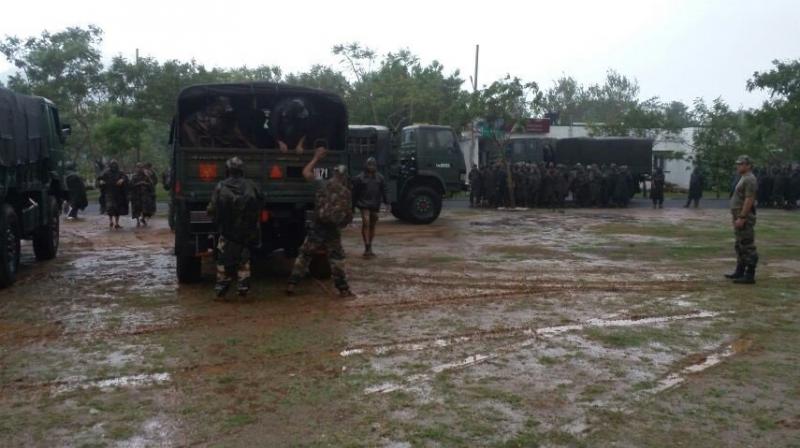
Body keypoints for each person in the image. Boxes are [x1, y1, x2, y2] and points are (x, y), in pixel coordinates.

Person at [287, 147, 353, 297]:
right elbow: (348, 216)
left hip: (318, 225)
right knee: (337, 258)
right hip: (333, 229)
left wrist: (316, 158)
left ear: (335, 173)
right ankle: (343, 289)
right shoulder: (346, 192)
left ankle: (292, 283)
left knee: (305, 255)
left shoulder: (322, 184)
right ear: (344, 176)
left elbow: (305, 173)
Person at [207, 157, 263, 299]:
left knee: (222, 259)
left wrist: (216, 220)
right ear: (242, 170)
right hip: (247, 230)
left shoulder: (221, 186)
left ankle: (221, 288)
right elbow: (261, 202)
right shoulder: (252, 185)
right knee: (244, 258)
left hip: (227, 230)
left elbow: (212, 209)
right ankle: (243, 287)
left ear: (228, 170)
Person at [725, 155, 759, 284]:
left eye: (741, 164)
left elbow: (749, 199)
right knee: (739, 244)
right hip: (738, 215)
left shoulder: (750, 179)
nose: (738, 166)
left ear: (748, 165)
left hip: (744, 217)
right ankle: (740, 270)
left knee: (747, 245)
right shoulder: (743, 178)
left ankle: (750, 275)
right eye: (738, 164)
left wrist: (742, 217)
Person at [352, 157, 388, 258]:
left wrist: (387, 203)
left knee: (372, 225)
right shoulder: (359, 178)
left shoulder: (380, 178)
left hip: (374, 205)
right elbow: (354, 193)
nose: (371, 167)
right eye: (369, 164)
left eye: (373, 165)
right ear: (366, 166)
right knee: (366, 222)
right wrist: (352, 207)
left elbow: (384, 191)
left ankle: (369, 246)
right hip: (363, 204)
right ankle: (367, 246)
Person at [97, 160, 129, 229]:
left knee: (118, 209)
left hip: (118, 193)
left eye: (115, 164)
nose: (114, 166)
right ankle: (111, 221)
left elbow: (125, 177)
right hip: (109, 193)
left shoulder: (120, 172)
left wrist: (122, 180)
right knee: (110, 208)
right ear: (110, 165)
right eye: (112, 164)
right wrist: (101, 181)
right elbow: (100, 178)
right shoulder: (106, 172)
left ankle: (117, 223)